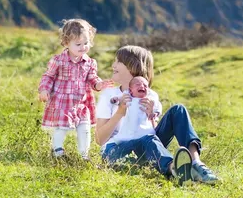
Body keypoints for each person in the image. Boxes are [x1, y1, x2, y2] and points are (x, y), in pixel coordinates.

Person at [95, 45, 218, 184]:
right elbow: (99, 139)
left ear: (133, 66)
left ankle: (197, 164)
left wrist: (151, 116)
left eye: (118, 61)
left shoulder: (151, 95)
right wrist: (119, 112)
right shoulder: (109, 95)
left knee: (179, 110)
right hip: (117, 150)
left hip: (148, 144)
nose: (113, 65)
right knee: (148, 139)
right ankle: (175, 169)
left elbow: (152, 130)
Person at [38, 18, 113, 160]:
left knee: (84, 128)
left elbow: (92, 78)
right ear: (66, 43)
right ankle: (57, 151)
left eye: (86, 43)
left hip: (81, 102)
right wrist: (44, 90)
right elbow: (48, 76)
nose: (83, 47)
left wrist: (99, 84)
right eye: (78, 44)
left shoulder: (90, 62)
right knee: (62, 127)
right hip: (62, 101)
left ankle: (84, 154)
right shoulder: (58, 60)